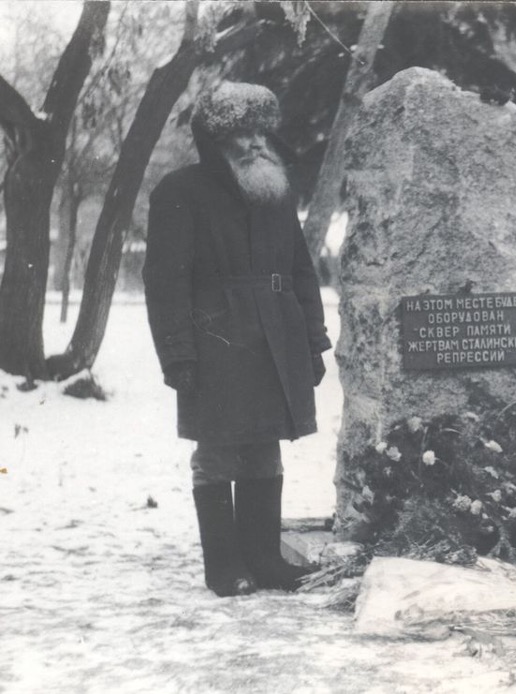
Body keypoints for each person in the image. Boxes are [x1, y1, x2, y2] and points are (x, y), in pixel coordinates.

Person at [143, 82, 332, 596]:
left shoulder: (274, 188)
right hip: (217, 340)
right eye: (243, 133)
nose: (256, 142)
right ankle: (224, 567)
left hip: (276, 336)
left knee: (266, 446)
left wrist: (314, 340)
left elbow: (301, 270)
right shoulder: (180, 191)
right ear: (214, 139)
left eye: (260, 131)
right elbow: (165, 282)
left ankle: (265, 561)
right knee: (218, 450)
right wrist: (178, 354)